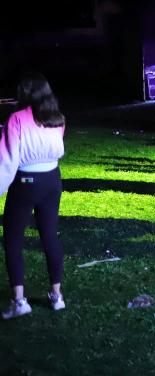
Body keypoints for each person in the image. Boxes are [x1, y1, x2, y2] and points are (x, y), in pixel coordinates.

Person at [0, 72, 67, 319]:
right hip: (52, 180)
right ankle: (57, 297)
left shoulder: (17, 119)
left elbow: (8, 160)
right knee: (50, 235)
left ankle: (19, 302)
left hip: (26, 182)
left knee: (13, 239)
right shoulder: (58, 119)